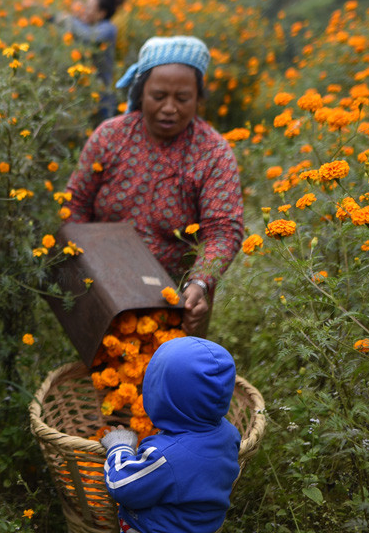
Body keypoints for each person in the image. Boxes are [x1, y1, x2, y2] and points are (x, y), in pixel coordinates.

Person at [60, 35, 243, 336]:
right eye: (159, 96)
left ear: (198, 99)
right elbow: (75, 203)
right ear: (140, 93)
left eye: (182, 98)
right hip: (103, 291)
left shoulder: (213, 153)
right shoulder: (110, 137)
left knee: (170, 376)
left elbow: (223, 230)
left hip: (176, 299)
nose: (169, 107)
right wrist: (84, 270)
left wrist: (198, 283)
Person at [99, 336, 241, 533]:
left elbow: (122, 485)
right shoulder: (229, 435)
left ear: (162, 397)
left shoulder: (166, 457)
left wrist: (120, 447)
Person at [53, 0, 119, 126]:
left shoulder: (108, 29)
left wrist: (67, 19)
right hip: (86, 92)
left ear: (101, 13)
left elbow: (88, 36)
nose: (84, 9)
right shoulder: (85, 25)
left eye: (89, 7)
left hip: (102, 95)